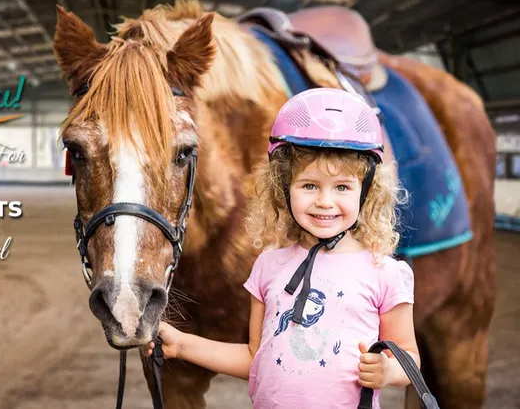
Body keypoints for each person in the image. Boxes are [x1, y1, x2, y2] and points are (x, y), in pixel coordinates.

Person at [144, 88, 418, 408]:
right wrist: (182, 345)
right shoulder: (268, 266)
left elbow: (410, 358)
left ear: (366, 191)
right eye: (309, 185)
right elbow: (254, 357)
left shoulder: (385, 273)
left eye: (342, 187)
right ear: (283, 188)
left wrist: (388, 370)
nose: (325, 201)